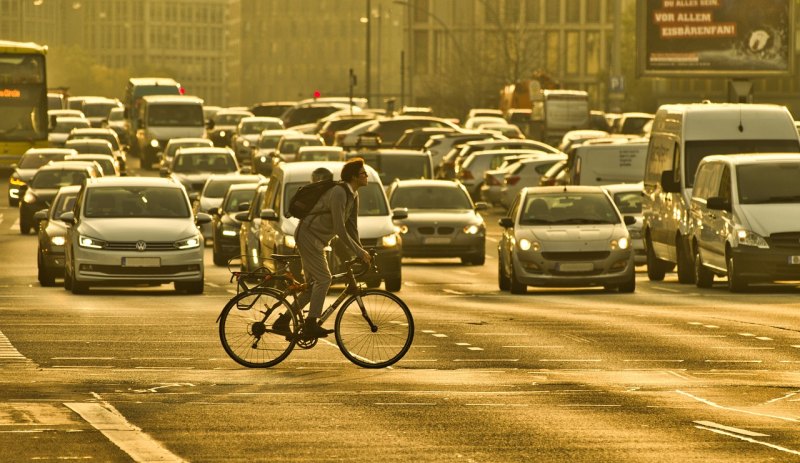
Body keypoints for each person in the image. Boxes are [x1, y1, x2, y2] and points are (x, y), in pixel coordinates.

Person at [275, 159, 372, 339]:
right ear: (353, 177)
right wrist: (358, 252)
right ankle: (311, 323)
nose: (366, 176)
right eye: (363, 173)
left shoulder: (354, 195)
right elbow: (339, 229)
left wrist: (362, 251)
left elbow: (352, 227)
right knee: (324, 279)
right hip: (308, 236)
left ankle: (283, 320)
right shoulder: (339, 192)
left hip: (318, 240)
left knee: (313, 287)